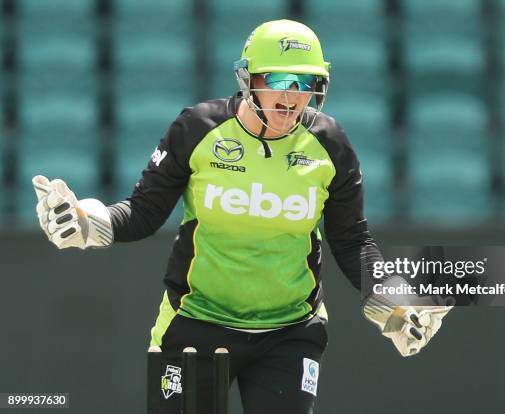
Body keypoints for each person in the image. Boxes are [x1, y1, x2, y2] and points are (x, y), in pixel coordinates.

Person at [32, 19, 451, 414]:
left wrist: (394, 297)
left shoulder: (330, 144)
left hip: (291, 333)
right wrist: (88, 222)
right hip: (195, 323)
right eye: (280, 81)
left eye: (307, 83)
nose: (292, 97)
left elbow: (352, 239)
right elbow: (142, 213)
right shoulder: (197, 128)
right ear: (249, 80)